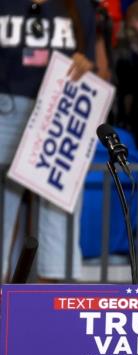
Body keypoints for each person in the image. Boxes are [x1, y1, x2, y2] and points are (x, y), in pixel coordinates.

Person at [0, 0, 97, 281]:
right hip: (5, 107)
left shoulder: (80, 6)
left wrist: (84, 64)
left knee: (59, 207)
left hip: (60, 108)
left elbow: (92, 62)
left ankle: (53, 303)